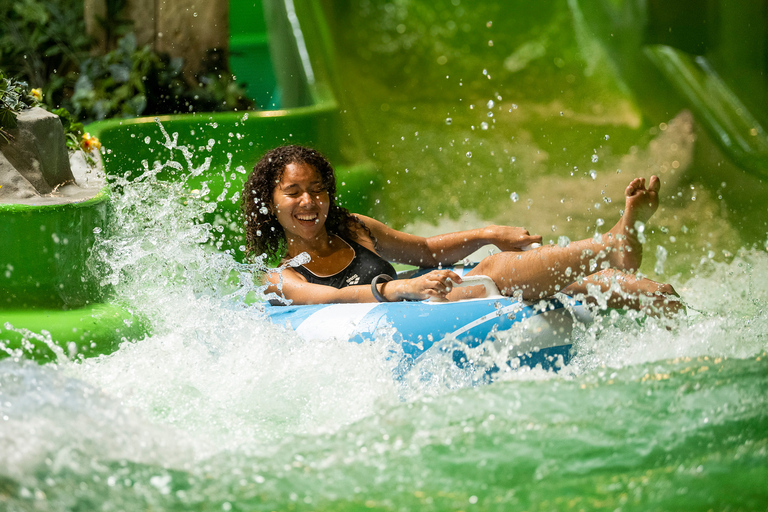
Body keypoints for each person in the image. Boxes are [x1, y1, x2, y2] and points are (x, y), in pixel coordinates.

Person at [242, 145, 679, 313]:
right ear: (270, 203)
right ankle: (612, 242)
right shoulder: (282, 278)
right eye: (293, 192)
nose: (309, 202)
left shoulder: (353, 227)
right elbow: (338, 296)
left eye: (317, 190)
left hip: (422, 290)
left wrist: (488, 231)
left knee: (615, 286)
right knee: (493, 271)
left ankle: (635, 280)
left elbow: (428, 249)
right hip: (397, 310)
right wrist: (396, 290)